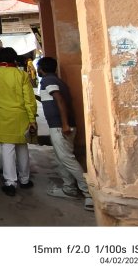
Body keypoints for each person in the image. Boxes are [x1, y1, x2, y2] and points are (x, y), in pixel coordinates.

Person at [37, 57, 93, 211]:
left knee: (67, 159)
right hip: (61, 125)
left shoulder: (47, 81)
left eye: (38, 67)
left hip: (60, 126)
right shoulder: (56, 80)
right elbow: (53, 100)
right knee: (61, 158)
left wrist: (64, 124)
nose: (37, 69)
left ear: (41, 68)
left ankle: (89, 193)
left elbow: (59, 100)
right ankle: (69, 188)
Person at [0, 47, 37, 197]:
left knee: (7, 148)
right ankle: (25, 180)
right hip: (21, 117)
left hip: (2, 116)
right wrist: (32, 119)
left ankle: (10, 183)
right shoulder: (22, 75)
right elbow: (29, 100)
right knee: (22, 147)